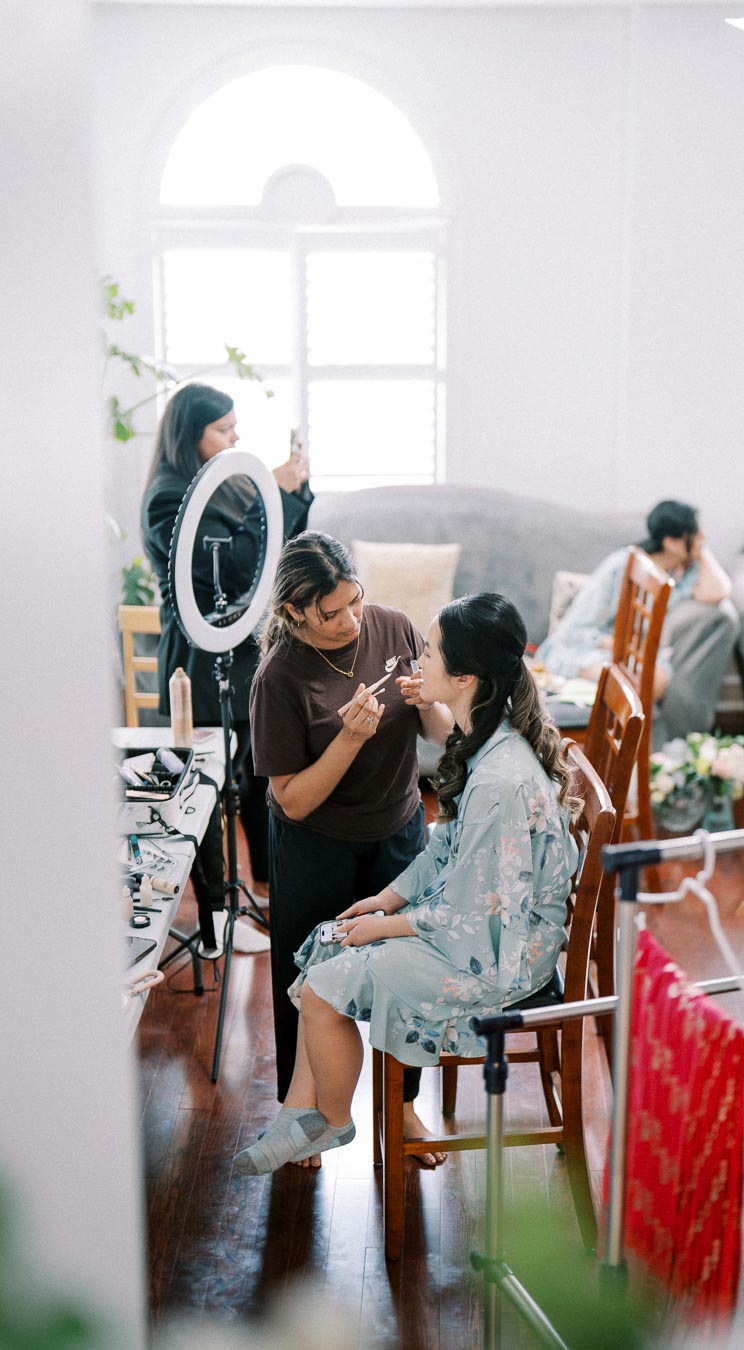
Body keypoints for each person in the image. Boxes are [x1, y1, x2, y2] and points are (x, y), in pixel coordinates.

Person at [234, 592, 581, 1176]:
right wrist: (387, 898)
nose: (418, 658)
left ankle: (331, 1121)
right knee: (328, 938)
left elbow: (474, 914)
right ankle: (300, 1115)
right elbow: (445, 845)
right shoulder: (485, 736)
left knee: (323, 986)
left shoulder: (500, 779)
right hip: (479, 926)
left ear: (465, 676)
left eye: (432, 650)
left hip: (502, 956)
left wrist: (383, 925)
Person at [248, 531, 455, 1166]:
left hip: (398, 830)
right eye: (330, 613)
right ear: (293, 612)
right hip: (316, 845)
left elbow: (440, 734)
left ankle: (402, 1105)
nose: (349, 621)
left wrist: (432, 704)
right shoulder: (278, 678)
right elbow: (293, 801)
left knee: (407, 975)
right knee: (305, 979)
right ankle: (306, 1113)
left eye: (354, 602)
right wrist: (346, 740)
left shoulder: (393, 629)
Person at [141, 383, 313, 942]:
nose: (236, 438)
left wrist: (295, 491)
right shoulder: (169, 498)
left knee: (255, 775)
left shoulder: (227, 485)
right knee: (206, 789)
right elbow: (232, 571)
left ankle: (263, 890)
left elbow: (273, 556)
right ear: (189, 435)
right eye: (223, 429)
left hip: (242, 654)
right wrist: (277, 494)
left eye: (236, 427)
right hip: (198, 662)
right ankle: (217, 912)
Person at [535, 500, 737, 739]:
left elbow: (719, 591)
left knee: (657, 679)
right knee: (649, 681)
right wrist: (626, 647)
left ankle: (639, 754)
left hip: (634, 652)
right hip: (587, 646)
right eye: (693, 533)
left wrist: (701, 551)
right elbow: (577, 628)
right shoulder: (623, 564)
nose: (703, 536)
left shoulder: (684, 570)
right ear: (671, 542)